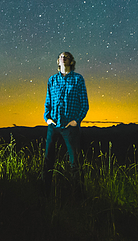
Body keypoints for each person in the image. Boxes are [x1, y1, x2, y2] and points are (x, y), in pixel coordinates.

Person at [43, 51, 89, 187]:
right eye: (61, 57)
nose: (63, 58)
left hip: (70, 126)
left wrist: (76, 120)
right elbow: (48, 102)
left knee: (75, 162)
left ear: (71, 61)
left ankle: (79, 195)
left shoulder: (78, 79)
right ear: (58, 61)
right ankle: (44, 192)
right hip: (54, 124)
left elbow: (84, 104)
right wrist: (47, 118)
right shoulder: (52, 80)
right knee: (48, 160)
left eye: (66, 57)